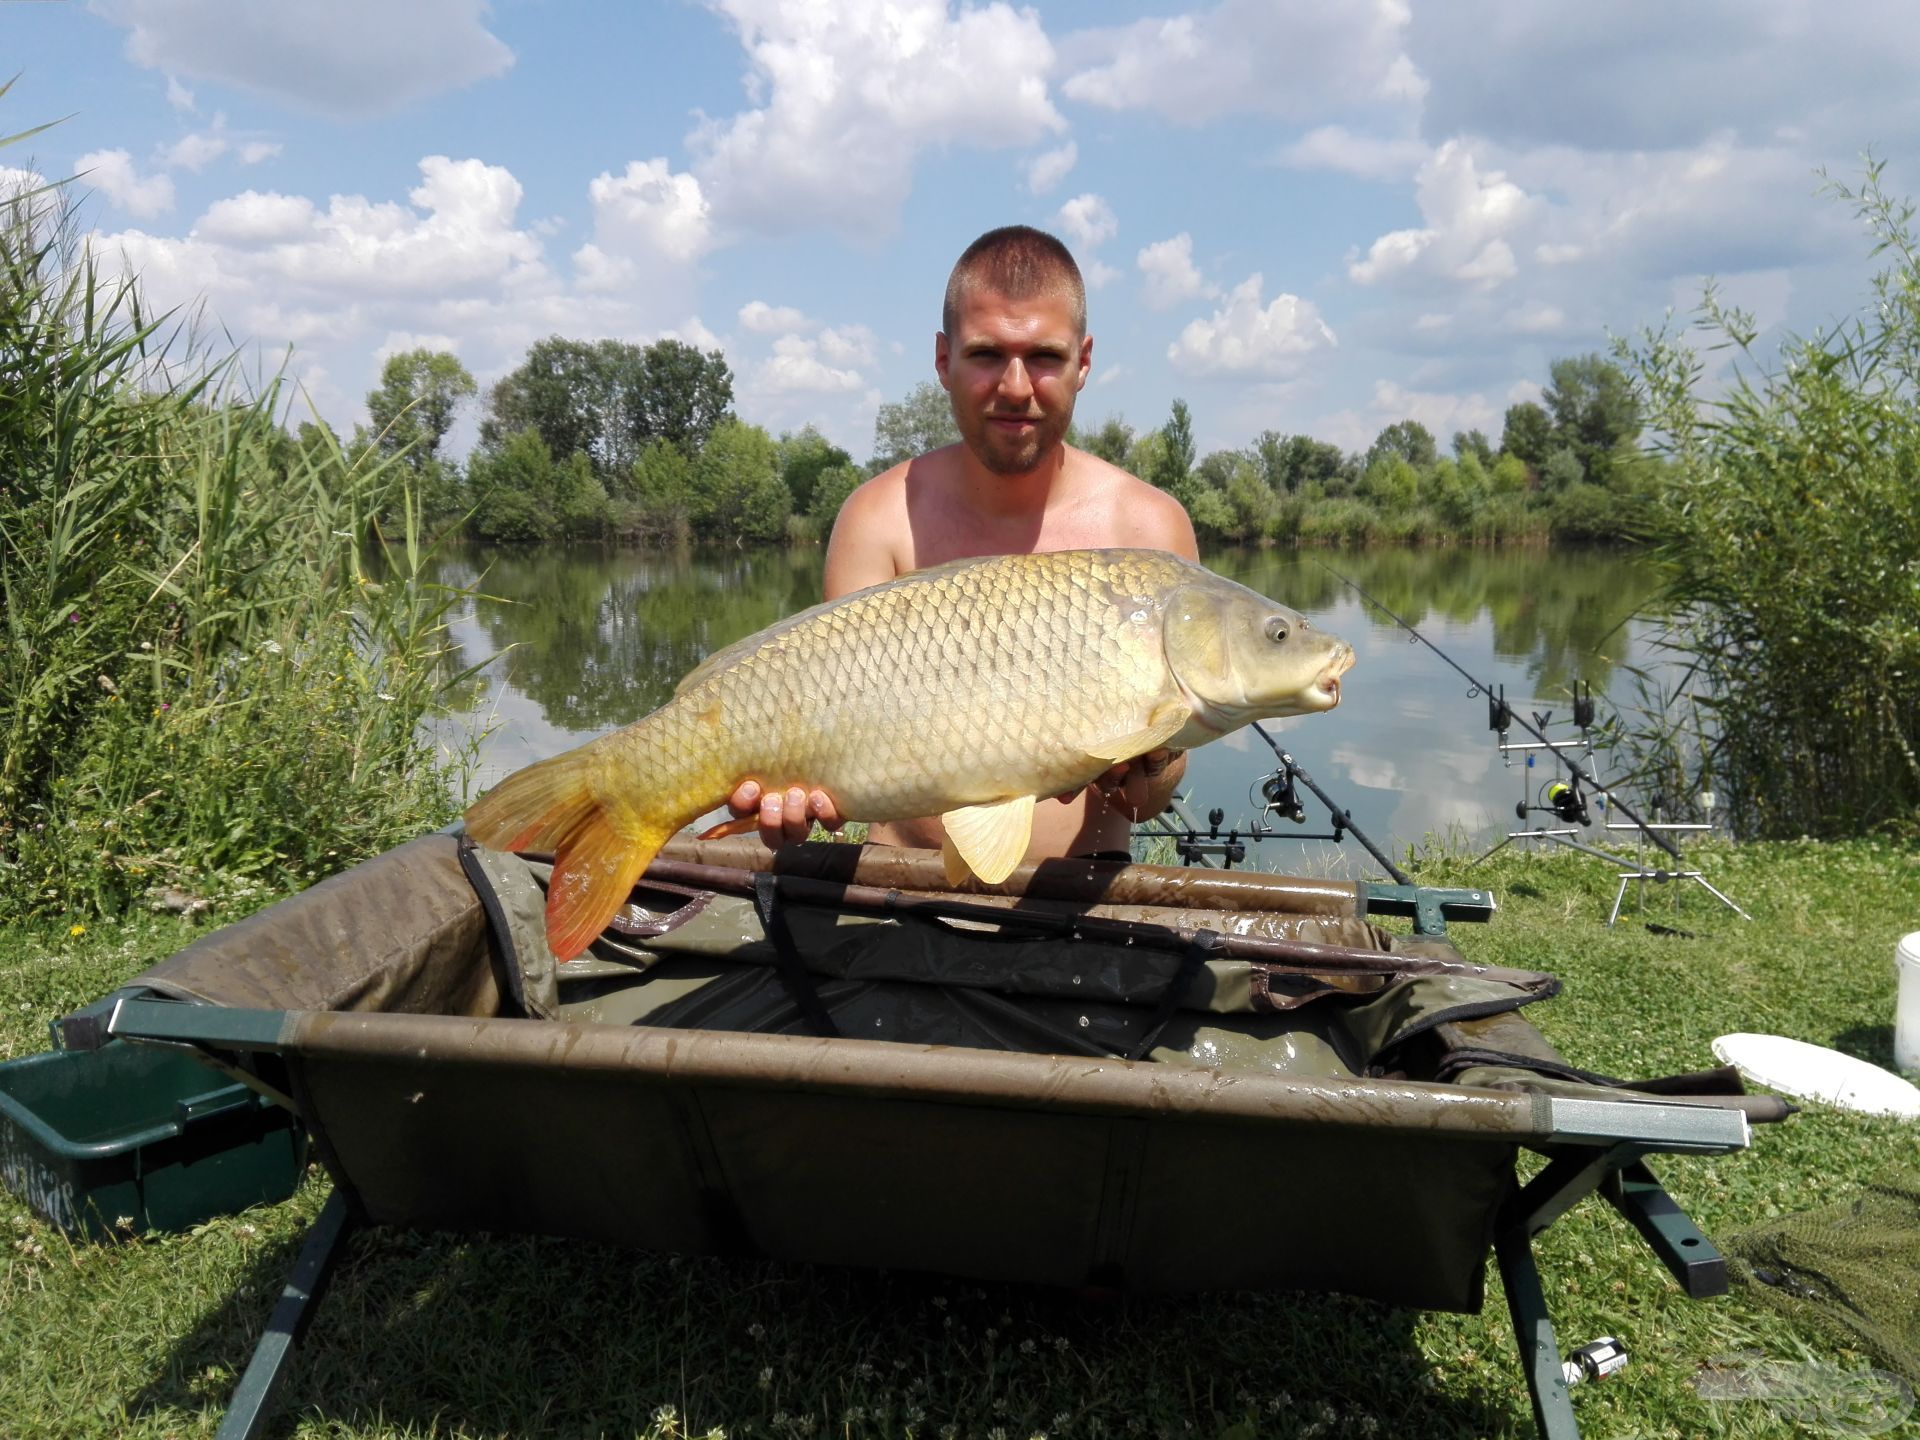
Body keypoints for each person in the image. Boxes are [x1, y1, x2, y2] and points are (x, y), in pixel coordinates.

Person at [726, 224, 1199, 863]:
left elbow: (1146, 803)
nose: (1014, 386)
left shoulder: (1148, 531)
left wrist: (1154, 760)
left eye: (1045, 357)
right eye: (985, 355)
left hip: (1082, 908)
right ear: (944, 360)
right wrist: (797, 798)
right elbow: (835, 759)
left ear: (1083, 362)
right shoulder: (877, 518)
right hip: (901, 893)